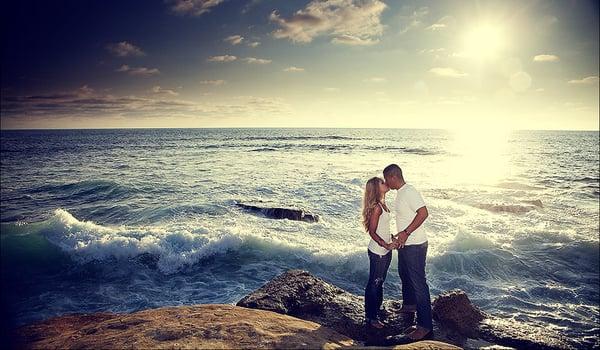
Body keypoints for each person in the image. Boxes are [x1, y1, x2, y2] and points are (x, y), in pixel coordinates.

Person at [383, 164, 433, 343]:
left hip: (415, 245)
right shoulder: (401, 193)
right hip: (406, 243)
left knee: (419, 283)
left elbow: (423, 213)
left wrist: (406, 233)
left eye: (386, 179)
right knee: (405, 275)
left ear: (393, 177)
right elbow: (406, 217)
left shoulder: (409, 191)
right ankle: (409, 306)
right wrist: (399, 235)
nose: (386, 184)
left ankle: (425, 326)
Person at [362, 176, 394, 329]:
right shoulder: (376, 207)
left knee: (379, 282)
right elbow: (372, 232)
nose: (385, 183)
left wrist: (392, 238)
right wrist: (385, 244)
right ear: (376, 188)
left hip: (386, 250)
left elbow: (383, 228)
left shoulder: (383, 204)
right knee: (374, 283)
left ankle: (376, 310)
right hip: (378, 251)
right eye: (382, 182)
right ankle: (371, 317)